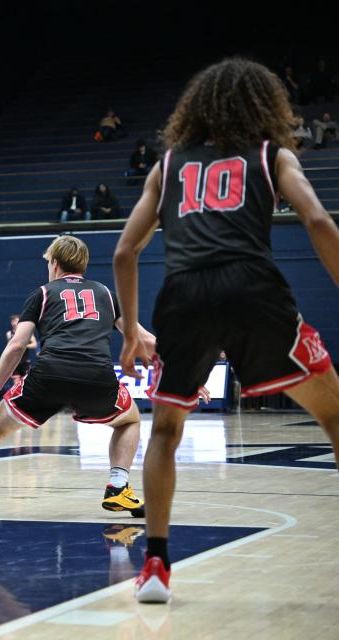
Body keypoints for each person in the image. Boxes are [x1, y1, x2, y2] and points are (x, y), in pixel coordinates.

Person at [112, 58, 339, 604]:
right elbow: (318, 222)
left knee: (166, 430)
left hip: (184, 295)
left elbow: (125, 251)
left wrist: (131, 333)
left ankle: (157, 567)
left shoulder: (165, 166)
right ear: (266, 107)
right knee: (334, 412)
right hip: (252, 287)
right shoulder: (272, 154)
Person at [0, 236, 160, 529]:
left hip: (50, 373)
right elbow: (145, 339)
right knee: (129, 421)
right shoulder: (105, 293)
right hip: (96, 376)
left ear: (54, 262)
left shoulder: (42, 293)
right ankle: (118, 486)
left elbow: (17, 346)